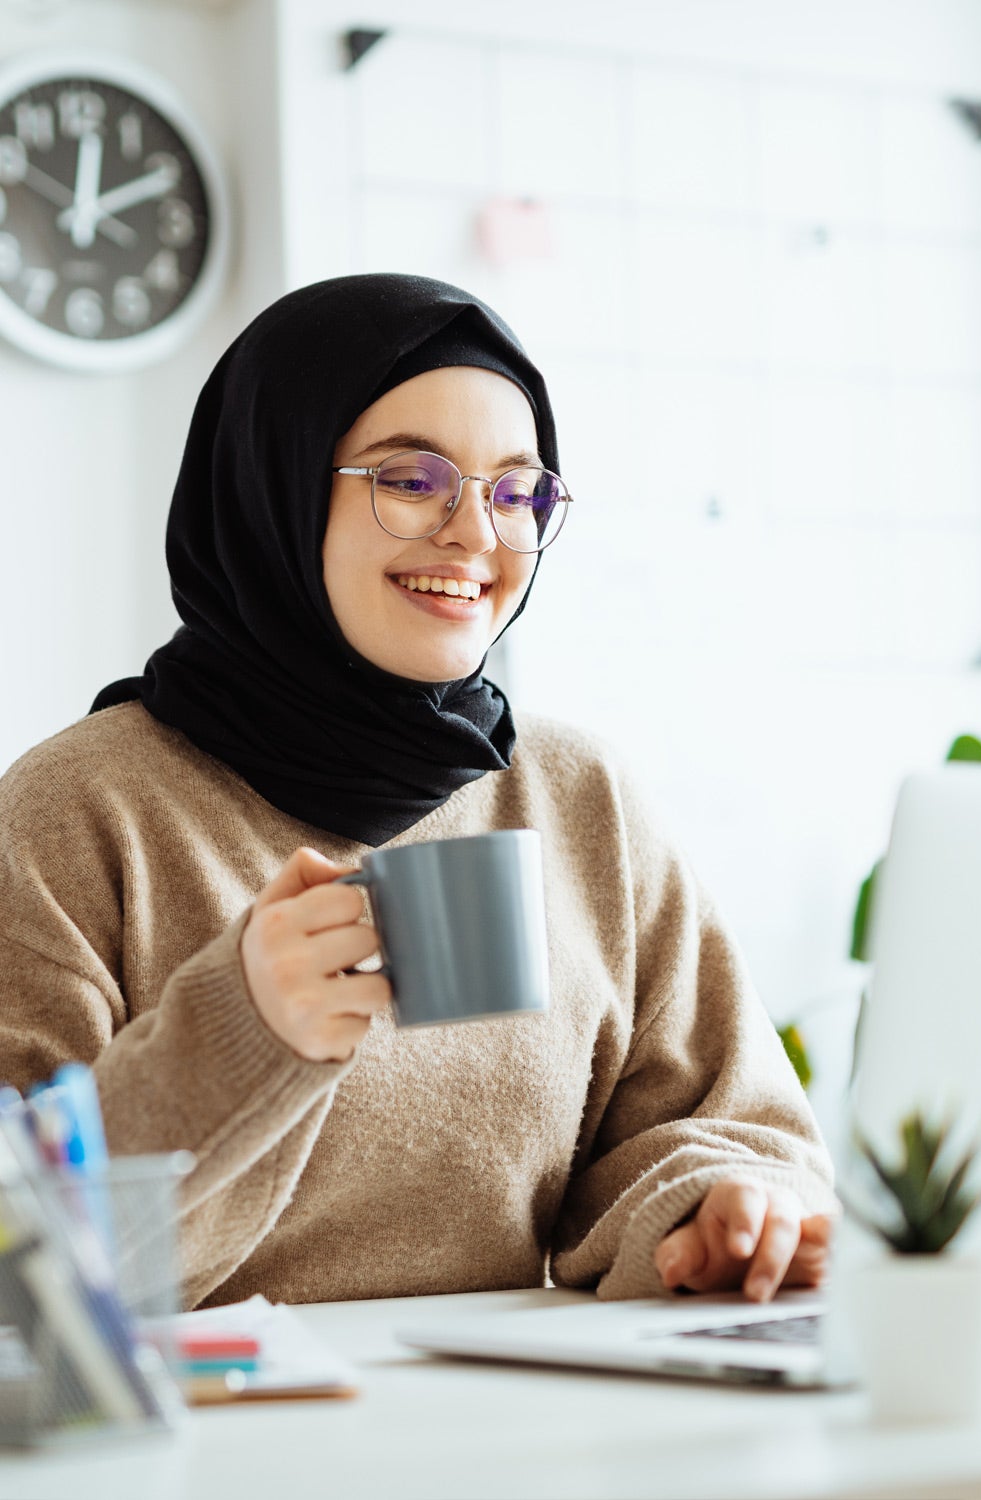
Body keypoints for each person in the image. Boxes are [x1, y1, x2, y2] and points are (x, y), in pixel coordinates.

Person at [0, 274, 835, 1310]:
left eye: (518, 492)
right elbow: (15, 1259)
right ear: (279, 484)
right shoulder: (78, 811)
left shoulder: (578, 800)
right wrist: (241, 1030)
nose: (476, 535)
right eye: (412, 480)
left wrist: (722, 1210)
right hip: (194, 1460)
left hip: (504, 1442)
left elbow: (719, 1130)